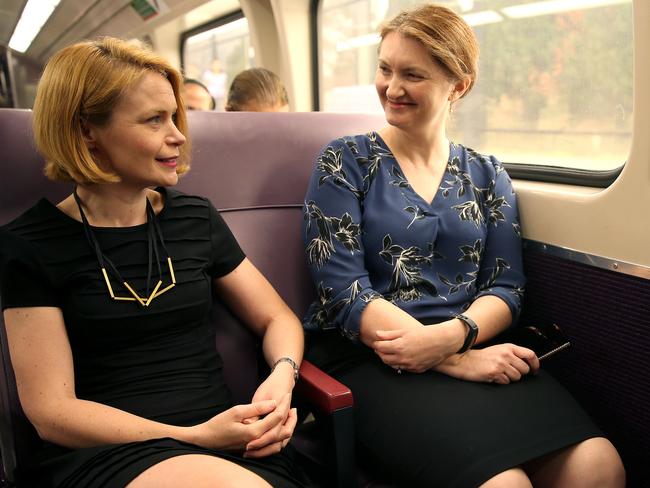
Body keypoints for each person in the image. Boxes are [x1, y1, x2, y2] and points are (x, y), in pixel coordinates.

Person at [302, 5, 625, 488]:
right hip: (371, 357)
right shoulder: (345, 162)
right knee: (504, 484)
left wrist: (456, 338)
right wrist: (455, 359)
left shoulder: (486, 174)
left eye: (412, 75)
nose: (392, 88)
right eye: (385, 69)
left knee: (599, 465)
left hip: (471, 340)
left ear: (459, 85)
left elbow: (506, 287)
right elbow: (344, 293)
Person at [0, 38, 309, 488]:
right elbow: (52, 413)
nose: (179, 135)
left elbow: (277, 317)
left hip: (228, 442)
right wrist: (193, 437)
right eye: (154, 120)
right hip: (105, 455)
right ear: (88, 131)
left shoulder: (195, 218)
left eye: (175, 116)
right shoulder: (30, 245)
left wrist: (282, 376)